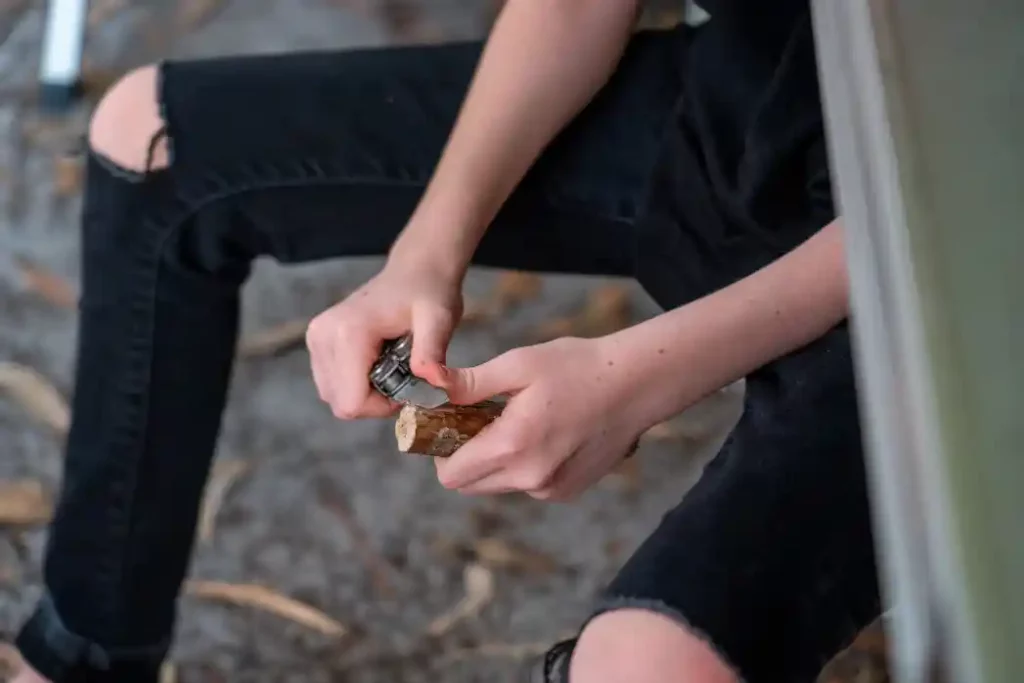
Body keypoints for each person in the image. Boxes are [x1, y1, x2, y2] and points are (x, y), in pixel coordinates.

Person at [12, 0, 882, 681]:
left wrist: (646, 373)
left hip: (941, 275)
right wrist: (423, 255)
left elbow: (968, 199)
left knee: (650, 663)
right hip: (749, 112)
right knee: (151, 139)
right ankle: (87, 657)